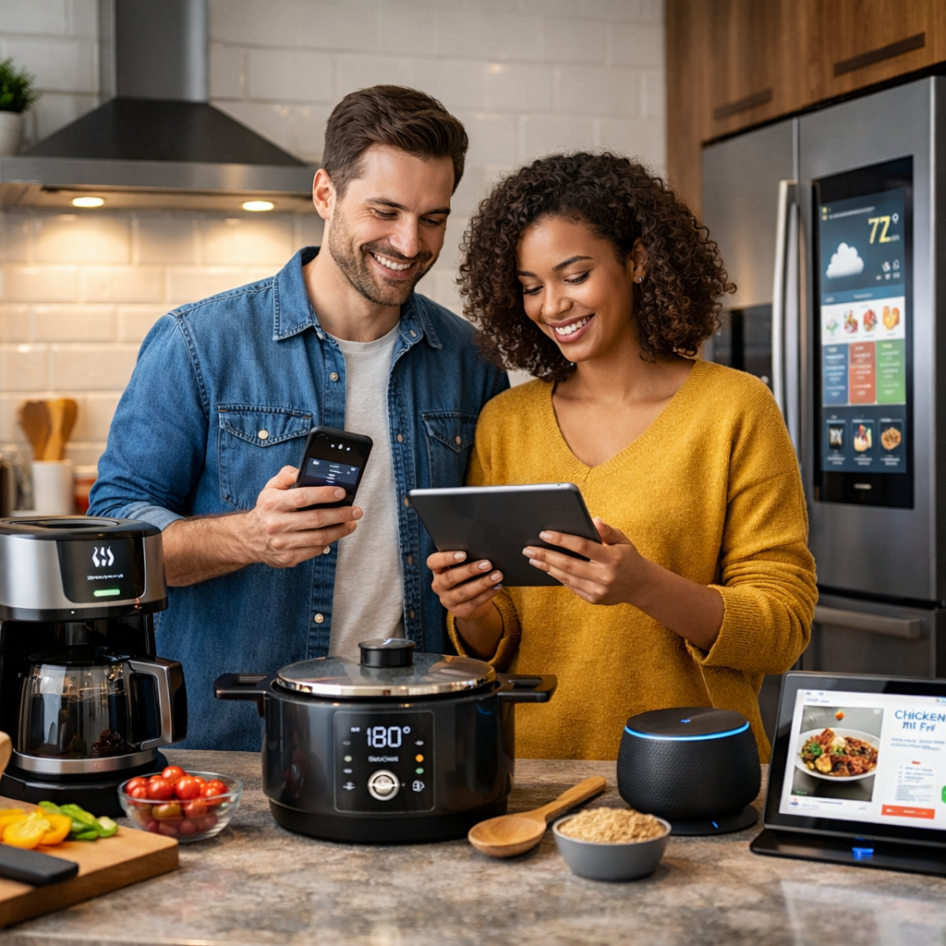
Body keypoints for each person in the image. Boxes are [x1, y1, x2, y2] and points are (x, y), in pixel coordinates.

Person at [89, 86, 508, 750]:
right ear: (324, 195)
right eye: (386, 210)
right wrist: (248, 537)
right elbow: (109, 545)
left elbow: (486, 566)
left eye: (433, 218)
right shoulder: (201, 343)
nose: (410, 242)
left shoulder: (471, 361)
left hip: (416, 732)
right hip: (233, 747)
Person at [428, 152, 817, 761]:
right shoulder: (507, 421)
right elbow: (497, 636)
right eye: (531, 288)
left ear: (636, 261)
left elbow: (783, 629)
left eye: (574, 275)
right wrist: (470, 610)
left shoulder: (735, 408)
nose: (552, 306)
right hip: (531, 772)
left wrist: (643, 585)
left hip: (692, 770)